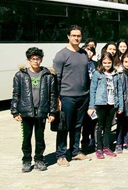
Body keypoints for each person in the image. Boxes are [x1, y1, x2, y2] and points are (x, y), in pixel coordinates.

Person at [12, 47, 57, 172]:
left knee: (40, 138)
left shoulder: (48, 75)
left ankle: (39, 159)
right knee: (26, 138)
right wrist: (15, 111)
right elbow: (16, 94)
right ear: (28, 60)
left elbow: (52, 95)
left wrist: (52, 112)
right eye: (33, 59)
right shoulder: (20, 75)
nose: (36, 61)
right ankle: (26, 160)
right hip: (26, 112)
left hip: (41, 112)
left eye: (38, 59)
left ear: (41, 60)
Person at [53, 25, 91, 166]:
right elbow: (56, 78)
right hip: (67, 97)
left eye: (79, 35)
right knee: (64, 126)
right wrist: (57, 99)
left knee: (77, 126)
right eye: (74, 35)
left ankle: (75, 151)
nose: (76, 38)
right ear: (68, 36)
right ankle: (61, 155)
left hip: (83, 96)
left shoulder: (83, 54)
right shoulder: (61, 55)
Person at [88, 54, 121, 159]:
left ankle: (106, 147)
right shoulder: (97, 74)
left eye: (109, 62)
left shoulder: (116, 75)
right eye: (105, 62)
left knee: (108, 127)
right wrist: (91, 106)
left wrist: (120, 106)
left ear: (112, 62)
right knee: (99, 126)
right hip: (100, 104)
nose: (107, 65)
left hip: (112, 104)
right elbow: (92, 91)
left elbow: (119, 91)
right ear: (101, 63)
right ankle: (98, 148)